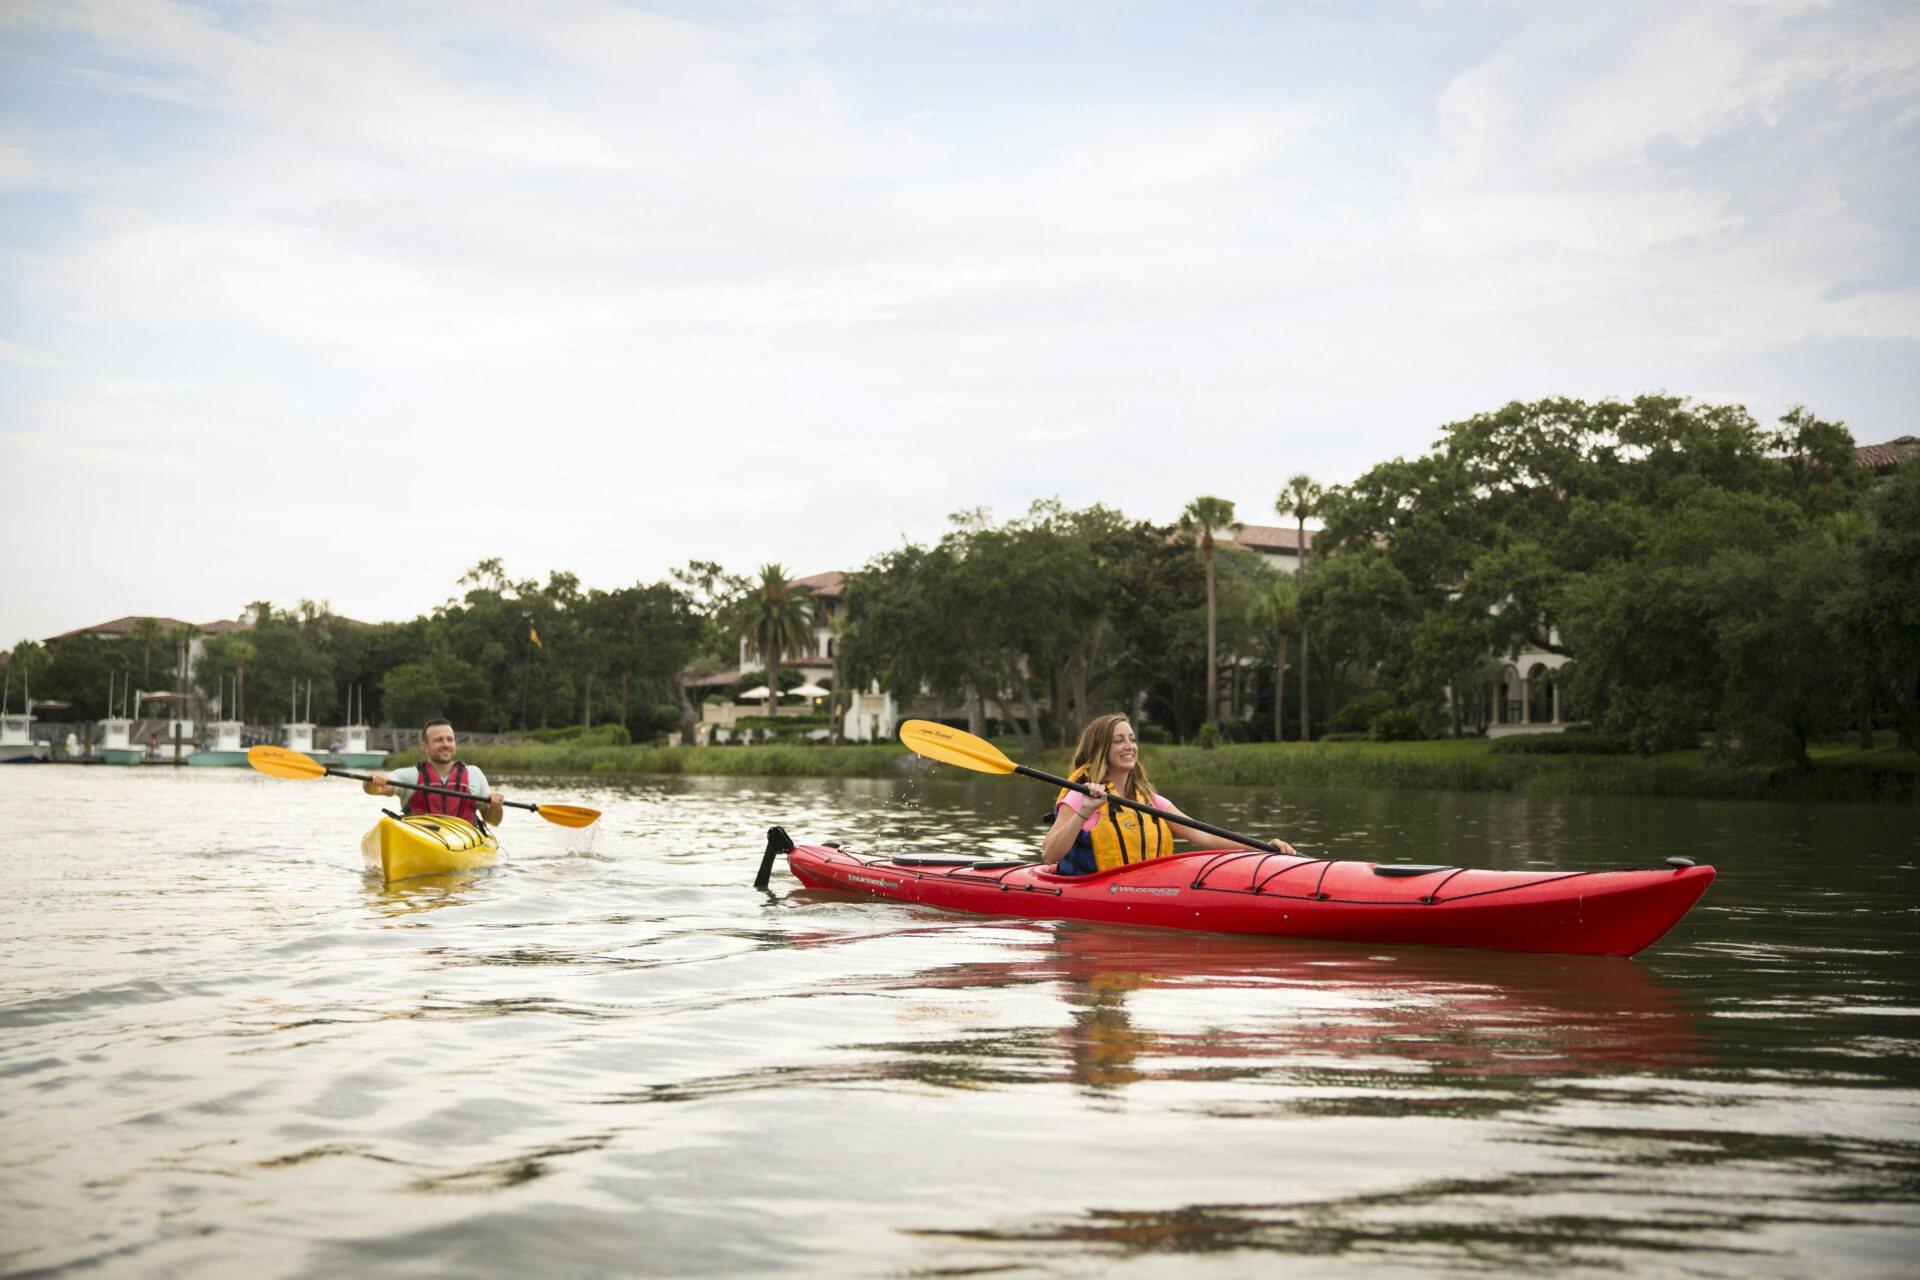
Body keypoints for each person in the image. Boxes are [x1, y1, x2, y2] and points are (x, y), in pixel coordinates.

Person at [1040, 714, 1292, 875]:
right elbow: (1050, 855)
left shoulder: (1151, 801)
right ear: (1100, 749)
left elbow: (1205, 836)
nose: (1129, 746)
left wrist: (1264, 847)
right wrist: (1084, 811)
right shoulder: (1080, 797)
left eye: (1132, 739)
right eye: (1118, 741)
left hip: (1144, 890)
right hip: (1089, 892)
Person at [363, 719, 505, 827]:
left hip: (464, 840)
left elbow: (493, 821)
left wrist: (496, 806)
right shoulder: (409, 776)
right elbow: (375, 789)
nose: (446, 744)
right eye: (438, 740)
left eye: (450, 739)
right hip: (420, 837)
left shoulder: (474, 774)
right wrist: (372, 780)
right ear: (425, 746)